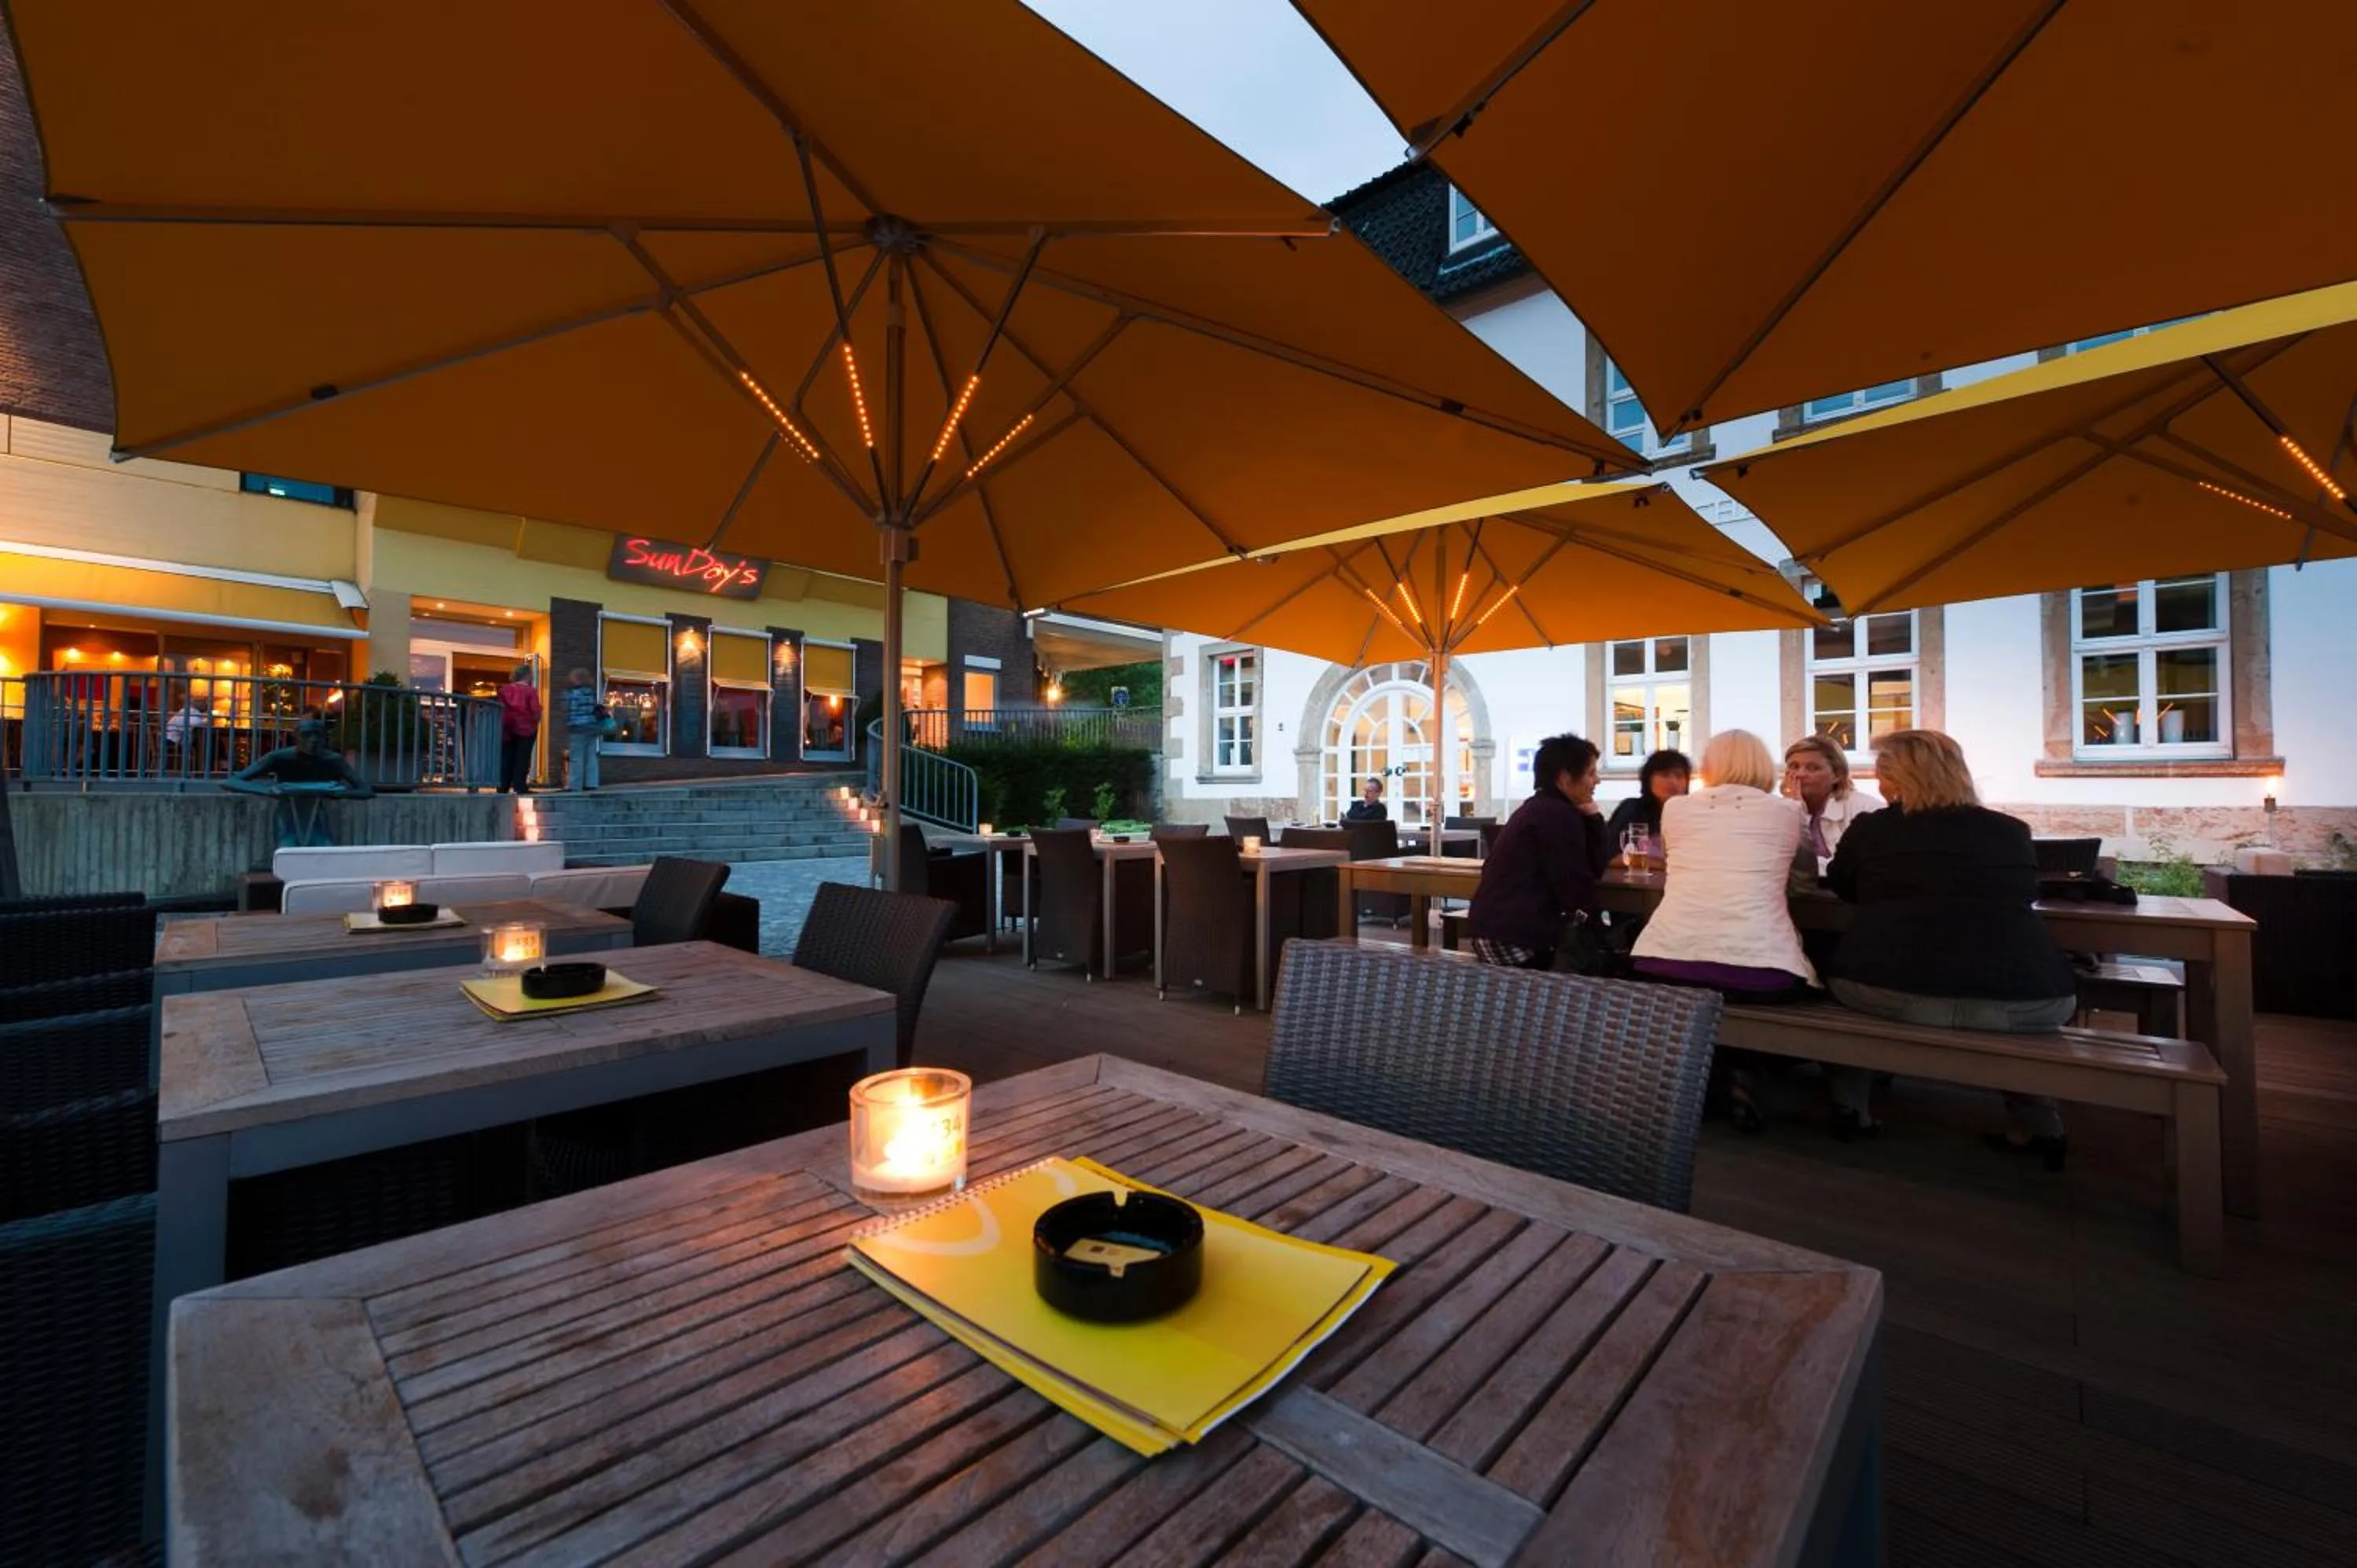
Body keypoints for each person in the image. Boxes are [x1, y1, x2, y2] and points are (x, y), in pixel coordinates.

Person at [1824, 729, 2080, 1165]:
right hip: (2028, 1000)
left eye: (1883, 773)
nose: (1879, 783)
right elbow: (2023, 892)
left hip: (1890, 989)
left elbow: (1844, 887)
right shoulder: (2010, 831)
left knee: (1839, 979)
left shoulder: (1873, 829)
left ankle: (1852, 1109)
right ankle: (2043, 1127)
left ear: (1900, 778)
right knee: (2003, 1012)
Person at [1632, 731, 1816, 1129]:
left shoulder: (1676, 808)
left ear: (1710, 766)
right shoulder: (1787, 811)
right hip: (1760, 968)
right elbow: (1804, 883)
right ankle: (1742, 1076)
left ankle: (1705, 1084)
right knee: (1768, 985)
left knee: (1705, 991)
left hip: (1665, 960)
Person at [1463, 732, 1608, 969]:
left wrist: (1592, 817)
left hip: (1492, 931)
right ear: (1565, 778)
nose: (1597, 781)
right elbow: (1576, 884)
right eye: (1591, 773)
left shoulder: (1537, 808)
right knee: (1595, 965)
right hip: (1515, 940)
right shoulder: (1558, 815)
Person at [225, 717, 372, 846]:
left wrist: (337, 794)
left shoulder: (333, 760)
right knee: (288, 847)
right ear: (296, 737)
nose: (313, 740)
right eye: (307, 735)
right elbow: (231, 782)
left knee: (323, 849)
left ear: (324, 738)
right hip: (287, 815)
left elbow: (365, 790)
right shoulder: (279, 758)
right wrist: (268, 790)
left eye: (318, 735)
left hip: (317, 817)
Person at [1783, 734, 1882, 872]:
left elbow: (1847, 867)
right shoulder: (1779, 809)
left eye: (1813, 768)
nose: (1800, 774)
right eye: (1794, 766)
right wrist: (1794, 811)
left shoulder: (1866, 809)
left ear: (1837, 775)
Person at [1605, 748, 1691, 864]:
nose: (1673, 781)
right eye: (1665, 775)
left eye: (1679, 776)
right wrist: (1661, 864)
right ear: (1648, 779)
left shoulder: (1692, 815)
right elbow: (1610, 857)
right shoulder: (1632, 809)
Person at [497, 663, 541, 794]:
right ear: (528, 676)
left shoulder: (504, 690)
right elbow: (535, 710)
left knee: (506, 757)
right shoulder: (530, 691)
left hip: (508, 727)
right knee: (522, 758)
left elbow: (500, 707)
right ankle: (520, 786)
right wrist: (535, 721)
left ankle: (503, 786)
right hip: (526, 728)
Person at [560, 667, 602, 793]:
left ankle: (575, 785)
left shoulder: (571, 694)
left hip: (577, 727)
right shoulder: (591, 693)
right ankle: (591, 783)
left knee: (576, 757)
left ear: (575, 679)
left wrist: (565, 725)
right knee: (591, 756)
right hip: (592, 727)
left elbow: (566, 710)